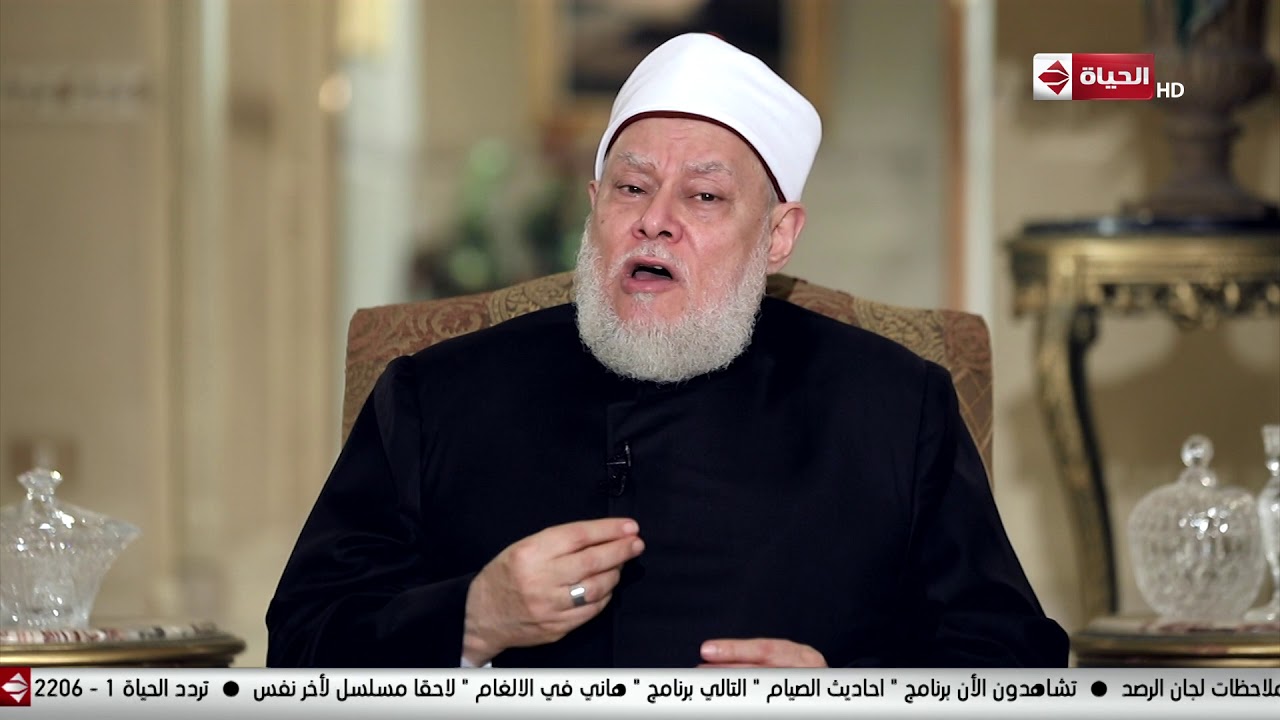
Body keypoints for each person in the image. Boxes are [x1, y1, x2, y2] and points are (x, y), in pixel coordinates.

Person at [267, 33, 1068, 668]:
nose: (655, 220)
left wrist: (844, 693)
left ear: (778, 235)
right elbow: (301, 643)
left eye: (705, 196)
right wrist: (473, 620)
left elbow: (1011, 659)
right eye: (631, 187)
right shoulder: (435, 394)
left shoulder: (894, 406)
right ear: (595, 208)